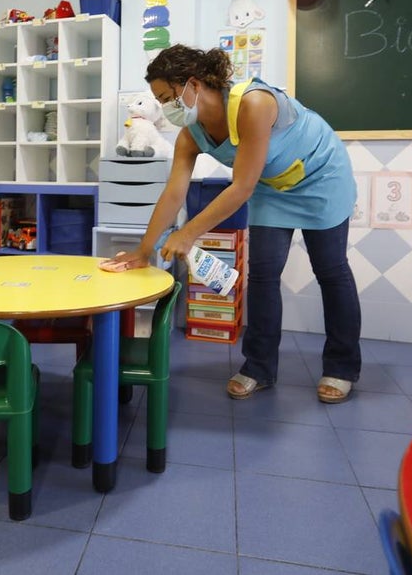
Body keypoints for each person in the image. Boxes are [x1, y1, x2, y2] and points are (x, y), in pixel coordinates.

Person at [102, 44, 361, 403]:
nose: (164, 109)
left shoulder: (253, 103)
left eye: (166, 98)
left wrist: (187, 233)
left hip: (322, 176)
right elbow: (174, 193)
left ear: (192, 84)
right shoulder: (190, 135)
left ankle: (342, 366)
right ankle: (259, 367)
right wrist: (144, 251)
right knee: (264, 273)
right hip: (272, 187)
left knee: (331, 269)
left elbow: (241, 187)